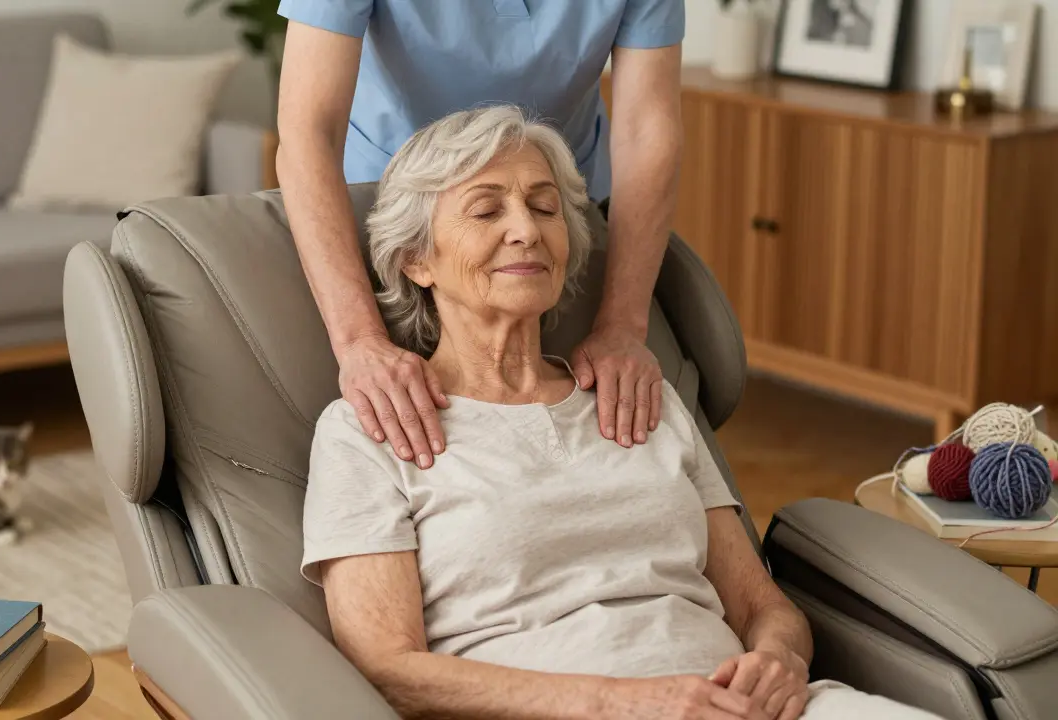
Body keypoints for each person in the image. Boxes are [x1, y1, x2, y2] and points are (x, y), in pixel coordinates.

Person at [301, 106, 944, 720]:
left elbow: (762, 606)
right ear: (416, 258)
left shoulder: (639, 394)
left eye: (545, 206)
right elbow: (389, 670)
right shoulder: (368, 431)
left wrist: (778, 660)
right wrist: (622, 702)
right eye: (486, 209)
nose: (526, 228)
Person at [276, 0, 684, 469]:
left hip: (562, 203)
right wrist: (359, 340)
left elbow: (647, 132)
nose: (521, 231)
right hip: (403, 208)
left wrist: (622, 326)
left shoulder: (537, 222)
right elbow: (309, 133)